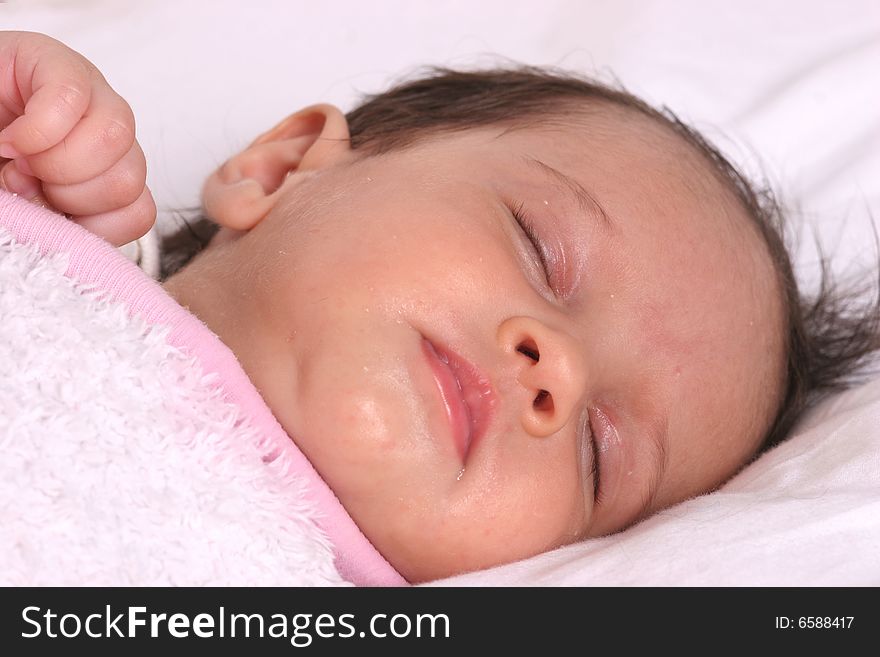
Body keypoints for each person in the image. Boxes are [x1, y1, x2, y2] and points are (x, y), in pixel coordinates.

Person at [2, 30, 877, 583]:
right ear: (280, 170)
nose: (557, 371)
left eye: (599, 453)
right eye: (539, 250)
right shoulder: (41, 243)